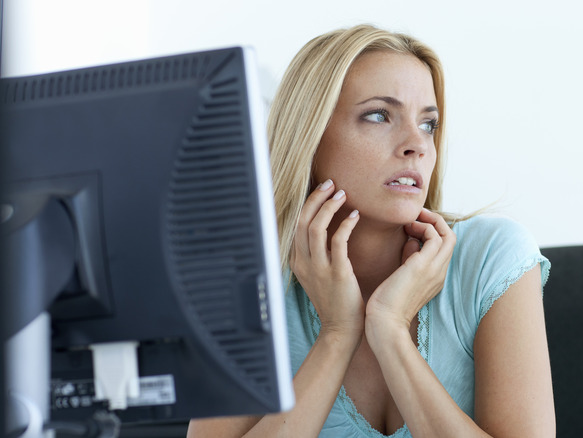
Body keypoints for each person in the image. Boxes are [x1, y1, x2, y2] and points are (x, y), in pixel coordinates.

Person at [188, 24, 555, 437]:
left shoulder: (492, 258)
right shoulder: (247, 284)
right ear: (309, 136)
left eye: (428, 124)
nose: (417, 144)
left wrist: (390, 328)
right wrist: (337, 334)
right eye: (379, 115)